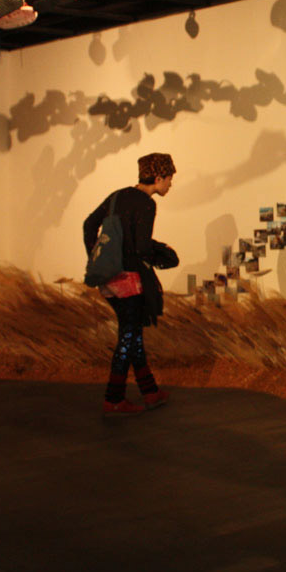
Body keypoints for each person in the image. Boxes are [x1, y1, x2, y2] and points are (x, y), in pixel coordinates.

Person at [83, 152, 179, 415]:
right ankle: (113, 398)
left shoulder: (116, 196)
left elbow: (89, 225)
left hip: (108, 280)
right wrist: (165, 254)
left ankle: (150, 392)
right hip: (129, 281)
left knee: (133, 335)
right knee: (128, 338)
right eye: (169, 178)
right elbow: (142, 248)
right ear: (158, 178)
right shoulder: (147, 204)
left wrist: (97, 256)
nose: (170, 184)